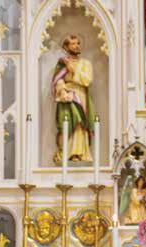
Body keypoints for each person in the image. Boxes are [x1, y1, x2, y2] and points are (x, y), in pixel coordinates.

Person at [52, 34, 95, 163]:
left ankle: (79, 153)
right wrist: (62, 91)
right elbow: (57, 80)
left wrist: (73, 69)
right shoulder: (61, 64)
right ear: (66, 47)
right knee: (67, 122)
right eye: (73, 44)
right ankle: (66, 153)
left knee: (79, 123)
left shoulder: (86, 63)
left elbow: (87, 80)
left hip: (80, 96)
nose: (77, 46)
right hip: (66, 97)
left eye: (78, 43)